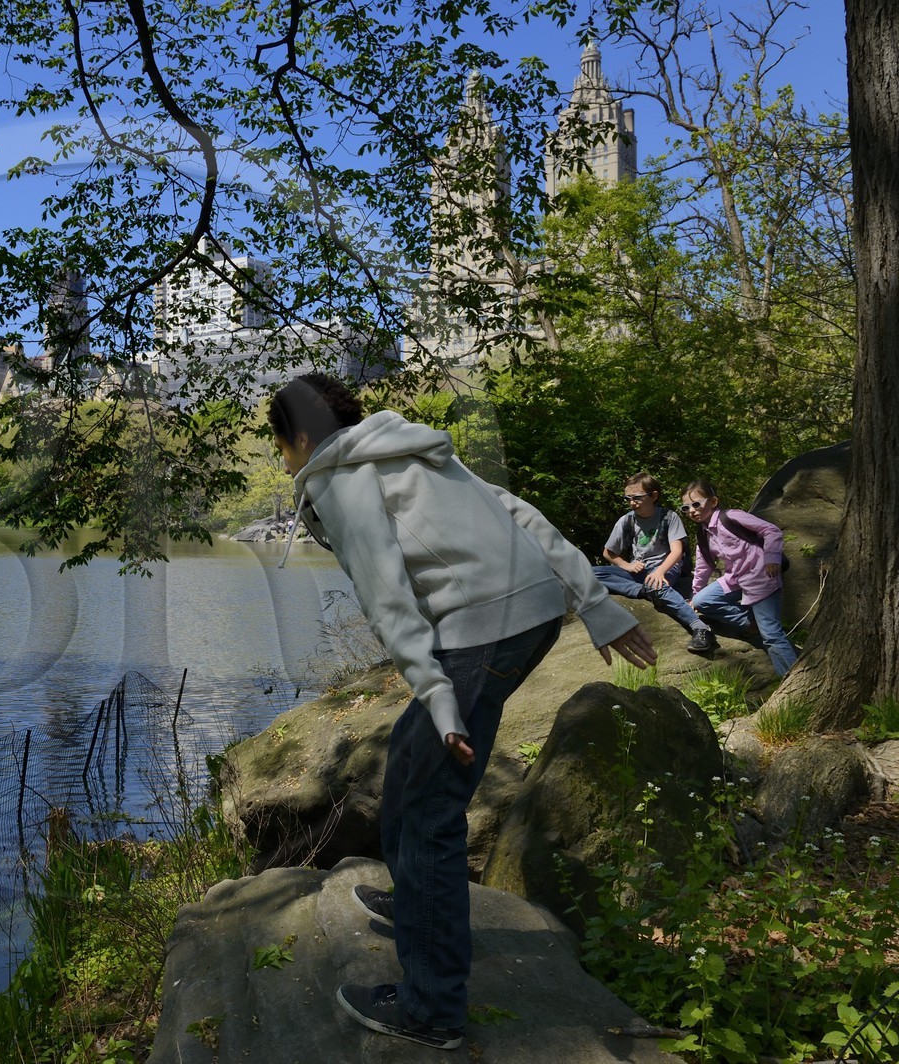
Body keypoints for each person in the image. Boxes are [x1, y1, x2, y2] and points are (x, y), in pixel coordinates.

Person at [268, 373, 656, 1052]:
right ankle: (421, 900)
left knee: (427, 807)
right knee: (415, 777)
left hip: (481, 631)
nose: (281, 458)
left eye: (279, 442)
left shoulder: (342, 480)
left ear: (299, 436)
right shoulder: (406, 448)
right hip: (528, 613)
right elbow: (522, 513)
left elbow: (386, 593)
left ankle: (432, 1007)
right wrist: (591, 603)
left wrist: (437, 693)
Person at [680, 479, 798, 677]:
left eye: (696, 504)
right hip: (736, 579)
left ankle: (793, 678)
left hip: (762, 578)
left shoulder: (731, 517)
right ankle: (749, 624)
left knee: (771, 636)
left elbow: (771, 530)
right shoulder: (703, 533)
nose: (691, 510)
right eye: (686, 507)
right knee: (703, 600)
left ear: (714, 501)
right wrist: (695, 593)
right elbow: (703, 565)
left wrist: (772, 558)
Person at [592, 473, 716, 656]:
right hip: (638, 572)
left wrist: (660, 572)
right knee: (589, 572)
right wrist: (627, 566)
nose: (632, 503)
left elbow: (677, 551)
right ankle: (642, 590)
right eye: (628, 498)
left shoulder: (668, 517)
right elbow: (608, 553)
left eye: (637, 498)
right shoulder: (627, 520)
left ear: (654, 496)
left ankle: (700, 627)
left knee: (656, 584)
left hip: (667, 567)